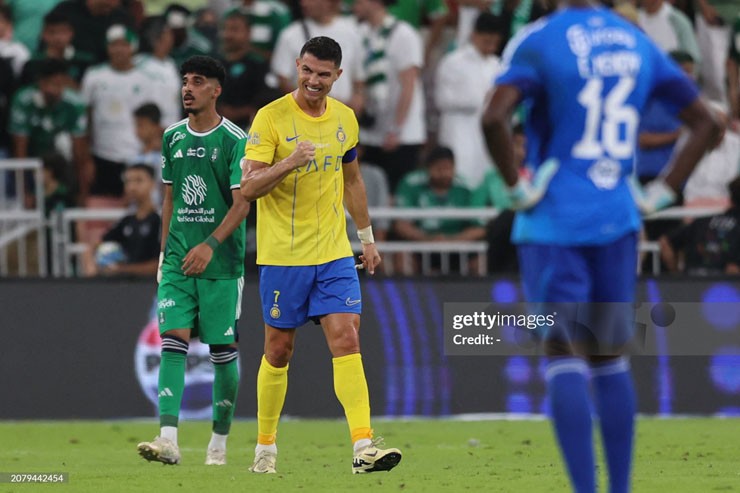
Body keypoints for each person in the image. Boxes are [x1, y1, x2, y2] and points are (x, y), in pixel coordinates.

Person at [481, 2, 720, 493]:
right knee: (610, 355)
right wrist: (664, 191)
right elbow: (709, 123)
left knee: (563, 350)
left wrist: (515, 188)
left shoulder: (540, 39)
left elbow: (493, 118)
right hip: (618, 216)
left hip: (555, 219)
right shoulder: (636, 40)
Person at [240, 36, 402, 475]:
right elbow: (248, 189)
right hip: (283, 256)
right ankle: (265, 448)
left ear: (338, 76)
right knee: (279, 350)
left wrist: (367, 238)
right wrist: (288, 162)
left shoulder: (345, 119)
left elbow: (352, 181)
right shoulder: (270, 118)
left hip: (334, 252)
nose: (313, 80)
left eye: (323, 74)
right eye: (307, 70)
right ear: (297, 66)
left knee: (347, 338)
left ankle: (363, 446)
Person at [137, 55, 250, 466]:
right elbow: (169, 198)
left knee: (221, 350)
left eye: (198, 81)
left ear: (216, 90)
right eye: (185, 80)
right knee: (173, 340)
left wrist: (210, 245)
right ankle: (168, 439)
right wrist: (164, 254)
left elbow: (243, 203)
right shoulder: (172, 136)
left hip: (221, 263)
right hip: (178, 261)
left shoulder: (235, 140)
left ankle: (218, 442)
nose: (188, 88)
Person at [354, 0, 426, 191]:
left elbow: (409, 84)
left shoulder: (404, 34)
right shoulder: (361, 33)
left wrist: (397, 129)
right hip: (371, 133)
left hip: (401, 136)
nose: (354, 4)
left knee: (396, 194)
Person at [435, 12, 503, 189]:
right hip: (459, 130)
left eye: (495, 43)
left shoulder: (497, 65)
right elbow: (442, 99)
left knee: (487, 180)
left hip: (486, 133)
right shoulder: (453, 62)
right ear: (474, 35)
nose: (491, 47)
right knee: (461, 177)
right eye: (487, 41)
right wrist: (480, 99)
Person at [394, 146, 485, 274]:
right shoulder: (410, 184)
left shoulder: (467, 188)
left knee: (481, 261)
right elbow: (401, 225)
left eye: (448, 168)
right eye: (439, 168)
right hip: (421, 244)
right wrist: (428, 239)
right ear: (428, 168)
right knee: (402, 257)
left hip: (458, 246)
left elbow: (479, 228)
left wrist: (451, 241)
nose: (444, 173)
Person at [270, 0, 365, 113]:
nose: (303, 3)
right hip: (305, 113)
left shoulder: (351, 32)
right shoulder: (290, 35)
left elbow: (358, 76)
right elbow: (282, 79)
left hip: (343, 113)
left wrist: (358, 98)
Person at [86, 164, 161, 277]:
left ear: (153, 184)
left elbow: (159, 265)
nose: (132, 187)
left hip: (153, 284)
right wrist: (92, 266)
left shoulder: (160, 220)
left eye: (138, 180)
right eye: (128, 181)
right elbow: (96, 245)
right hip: (126, 284)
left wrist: (121, 269)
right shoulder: (126, 221)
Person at [660, 176, 740, 275]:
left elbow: (665, 242)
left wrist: (676, 274)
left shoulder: (701, 222)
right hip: (724, 284)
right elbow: (733, 270)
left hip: (691, 282)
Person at [216, 8, 270, 130]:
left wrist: (237, 113)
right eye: (225, 29)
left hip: (249, 129)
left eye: (234, 30)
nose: (228, 35)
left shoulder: (258, 65)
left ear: (248, 33)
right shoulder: (215, 64)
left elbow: (265, 101)